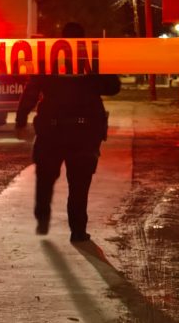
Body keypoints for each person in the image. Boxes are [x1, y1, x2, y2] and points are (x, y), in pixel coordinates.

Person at [15, 22, 121, 242]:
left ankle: (42, 217)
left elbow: (31, 90)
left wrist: (21, 119)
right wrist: (96, 73)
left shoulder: (48, 59)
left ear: (62, 39)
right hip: (84, 133)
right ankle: (78, 231)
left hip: (51, 131)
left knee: (45, 178)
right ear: (82, 39)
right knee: (79, 184)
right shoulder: (93, 60)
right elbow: (113, 87)